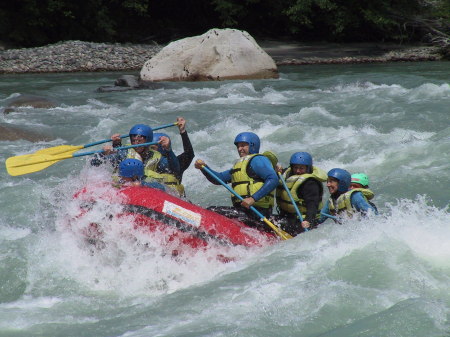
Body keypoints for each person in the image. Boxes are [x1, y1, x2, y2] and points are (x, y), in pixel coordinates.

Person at [194, 132, 278, 231]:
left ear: (252, 145)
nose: (239, 149)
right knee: (214, 210)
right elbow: (219, 179)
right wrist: (204, 168)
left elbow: (273, 179)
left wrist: (253, 198)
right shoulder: (241, 164)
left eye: (243, 145)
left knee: (212, 210)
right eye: (238, 146)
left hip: (258, 212)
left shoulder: (258, 160)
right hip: (244, 211)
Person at [92, 124, 181, 191]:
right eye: (133, 141)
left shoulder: (157, 157)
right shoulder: (124, 152)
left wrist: (169, 150)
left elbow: (175, 171)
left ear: (148, 140)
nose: (136, 144)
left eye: (140, 141)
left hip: (144, 189)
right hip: (121, 187)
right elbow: (94, 164)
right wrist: (103, 154)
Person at [275, 152, 327, 236]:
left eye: (301, 168)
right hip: (287, 217)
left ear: (308, 168)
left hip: (302, 221)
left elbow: (313, 204)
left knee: (272, 221)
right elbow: (280, 173)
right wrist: (277, 170)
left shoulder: (310, 183)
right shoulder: (287, 174)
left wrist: (308, 220)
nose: (298, 171)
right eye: (295, 168)